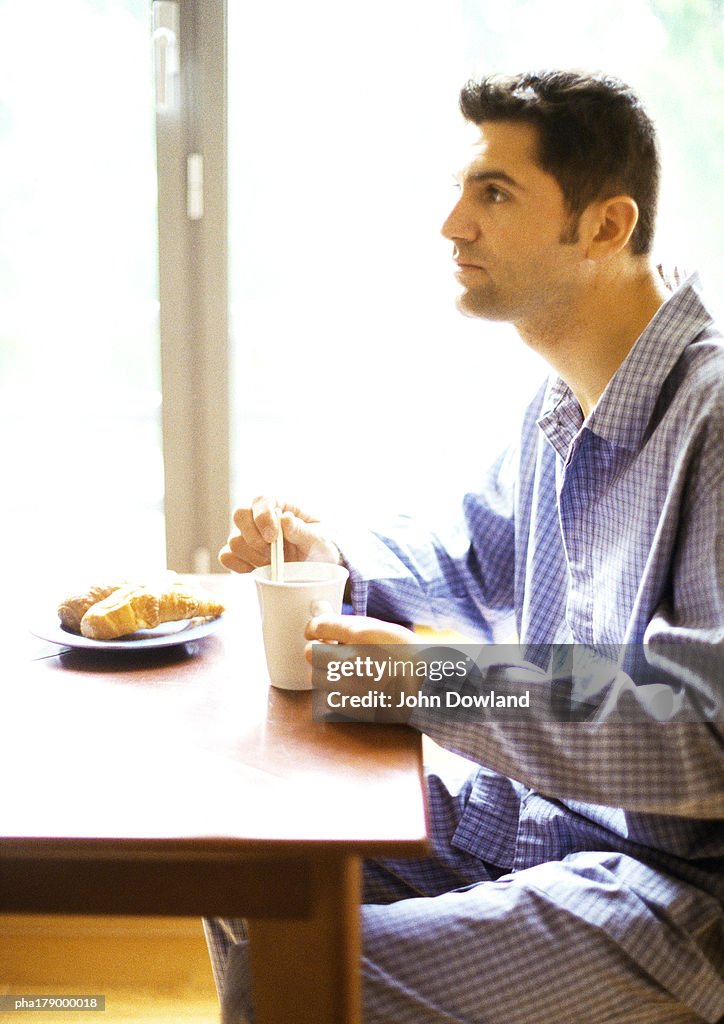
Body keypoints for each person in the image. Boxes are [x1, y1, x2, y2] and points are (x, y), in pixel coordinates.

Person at [205, 71, 723, 1023]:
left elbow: (706, 737)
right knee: (245, 864)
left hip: (679, 896)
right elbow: (471, 562)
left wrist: (438, 685)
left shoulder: (714, 424)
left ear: (607, 227)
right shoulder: (562, 406)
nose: (452, 225)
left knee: (291, 981)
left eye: (493, 193)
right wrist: (332, 554)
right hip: (542, 817)